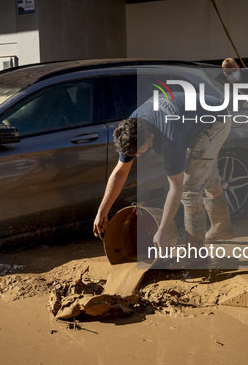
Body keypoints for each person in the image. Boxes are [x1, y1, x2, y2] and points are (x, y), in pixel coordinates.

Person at [93, 91, 234, 252]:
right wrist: (102, 212)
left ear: (151, 136)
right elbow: (120, 173)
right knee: (205, 175)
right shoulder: (130, 132)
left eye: (140, 151)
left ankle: (196, 252)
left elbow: (176, 187)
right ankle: (223, 227)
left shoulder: (170, 138)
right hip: (191, 119)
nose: (138, 156)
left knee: (190, 189)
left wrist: (162, 231)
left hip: (215, 121)